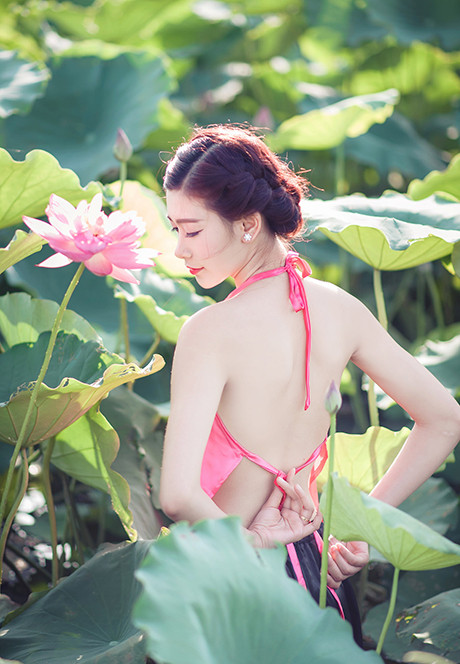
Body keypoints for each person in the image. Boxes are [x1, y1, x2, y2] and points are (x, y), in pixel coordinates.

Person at [159, 125, 460, 641]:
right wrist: (361, 529)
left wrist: (253, 547)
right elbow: (446, 419)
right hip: (317, 576)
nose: (179, 250)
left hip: (230, 578)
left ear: (247, 224)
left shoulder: (208, 331)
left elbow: (178, 495)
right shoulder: (341, 308)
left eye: (191, 230)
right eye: (174, 229)